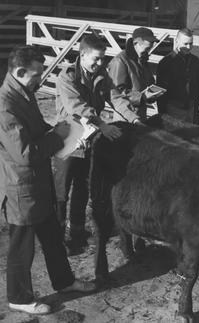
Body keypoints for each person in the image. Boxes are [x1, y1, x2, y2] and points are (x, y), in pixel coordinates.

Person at [0, 45, 96, 315]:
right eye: (37, 74)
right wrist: (58, 137)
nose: (40, 79)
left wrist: (61, 129)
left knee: (52, 238)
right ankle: (18, 297)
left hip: (38, 182)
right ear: (19, 71)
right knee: (22, 247)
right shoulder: (5, 105)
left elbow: (36, 127)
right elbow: (24, 153)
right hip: (21, 187)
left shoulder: (23, 92)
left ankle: (64, 282)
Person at [54, 35, 122, 255]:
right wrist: (102, 125)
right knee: (62, 191)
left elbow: (116, 97)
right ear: (82, 55)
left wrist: (134, 117)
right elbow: (78, 107)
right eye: (96, 59)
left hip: (88, 138)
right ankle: (56, 238)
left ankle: (77, 232)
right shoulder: (67, 77)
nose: (100, 64)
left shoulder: (101, 75)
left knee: (83, 187)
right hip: (67, 138)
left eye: (103, 59)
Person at [108, 27, 164, 123]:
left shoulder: (143, 59)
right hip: (125, 116)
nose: (149, 50)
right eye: (146, 48)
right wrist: (142, 97)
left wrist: (153, 94)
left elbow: (149, 83)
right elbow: (116, 93)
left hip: (140, 113)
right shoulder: (120, 61)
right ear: (136, 43)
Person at [156, 28, 199, 124]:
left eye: (191, 43)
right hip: (173, 109)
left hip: (191, 109)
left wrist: (196, 113)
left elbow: (197, 88)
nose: (189, 47)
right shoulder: (166, 62)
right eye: (185, 44)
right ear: (177, 42)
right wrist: (162, 116)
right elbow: (161, 92)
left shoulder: (196, 62)